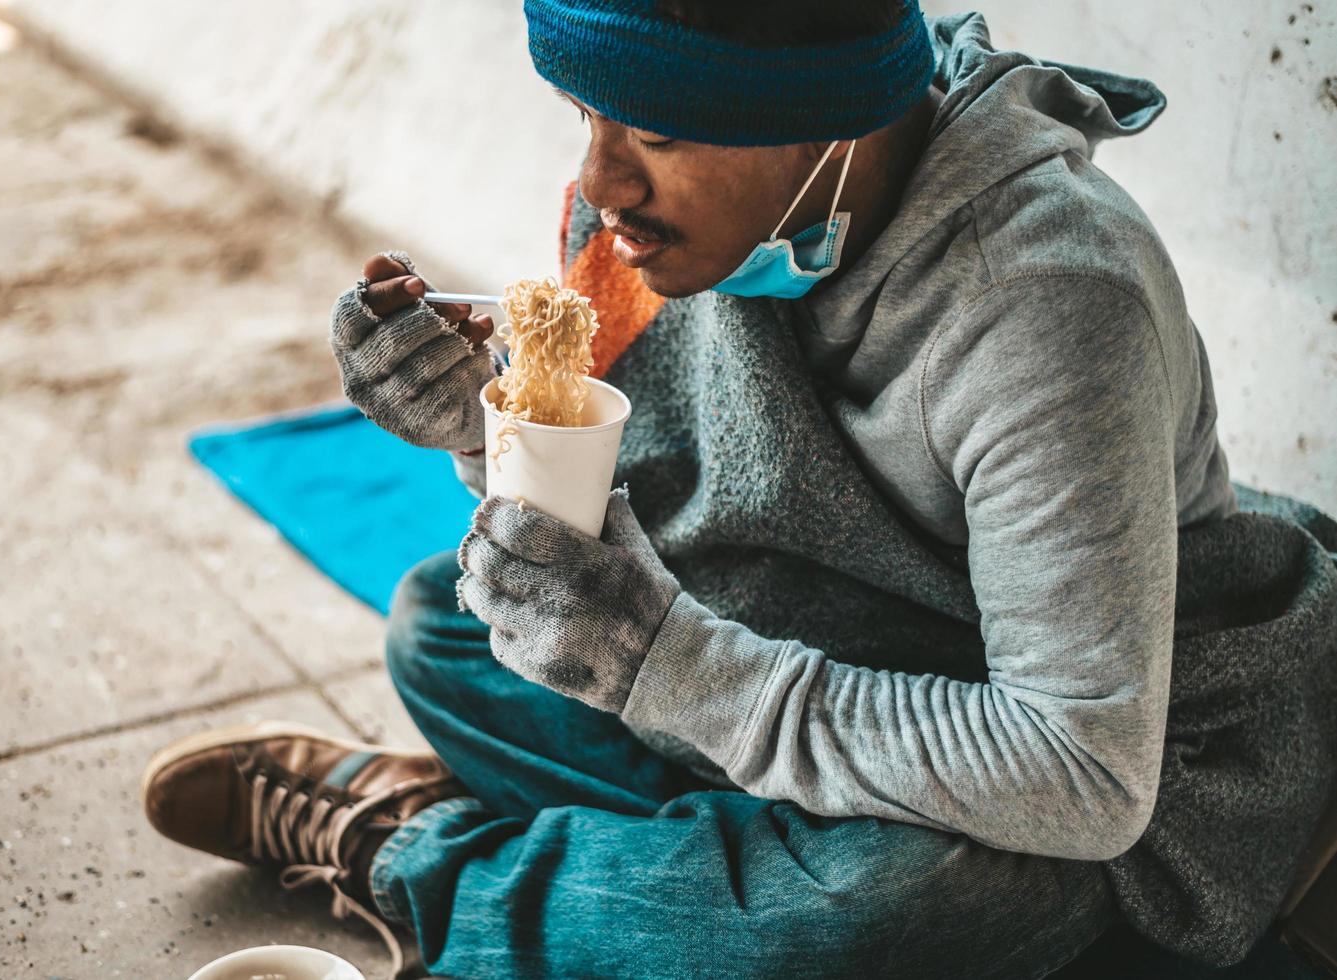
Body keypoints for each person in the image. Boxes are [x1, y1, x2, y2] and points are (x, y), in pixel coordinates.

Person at [139, 2, 1337, 977]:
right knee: (443, 629)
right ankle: (670, 877)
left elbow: (1082, 771)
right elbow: (621, 511)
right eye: (584, 116)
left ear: (825, 122)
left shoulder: (1048, 306)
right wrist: (487, 424)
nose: (601, 179)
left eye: (654, 133)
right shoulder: (645, 230)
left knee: (865, 919)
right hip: (795, 641)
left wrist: (666, 664)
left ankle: (418, 852)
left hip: (1084, 758)